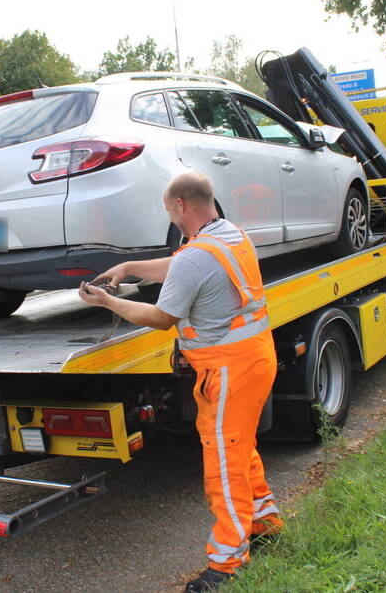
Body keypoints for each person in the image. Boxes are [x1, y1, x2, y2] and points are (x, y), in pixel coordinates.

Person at [78, 171, 282, 592]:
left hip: (227, 368)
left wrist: (108, 301)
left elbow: (161, 318)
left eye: (168, 208)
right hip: (252, 358)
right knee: (238, 447)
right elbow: (180, 265)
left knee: (223, 463)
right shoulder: (229, 236)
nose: (169, 215)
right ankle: (264, 524)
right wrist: (131, 267)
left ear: (180, 206)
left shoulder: (197, 254)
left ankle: (228, 564)